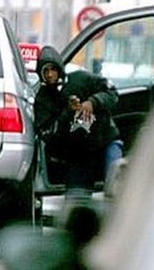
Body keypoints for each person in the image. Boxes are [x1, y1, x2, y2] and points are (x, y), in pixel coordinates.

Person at [34, 45, 123, 199]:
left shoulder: (81, 79)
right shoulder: (43, 100)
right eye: (45, 71)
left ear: (59, 68)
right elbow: (47, 133)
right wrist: (68, 112)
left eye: (52, 69)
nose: (49, 75)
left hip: (105, 142)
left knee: (117, 187)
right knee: (75, 202)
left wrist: (92, 102)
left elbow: (112, 92)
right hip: (77, 155)